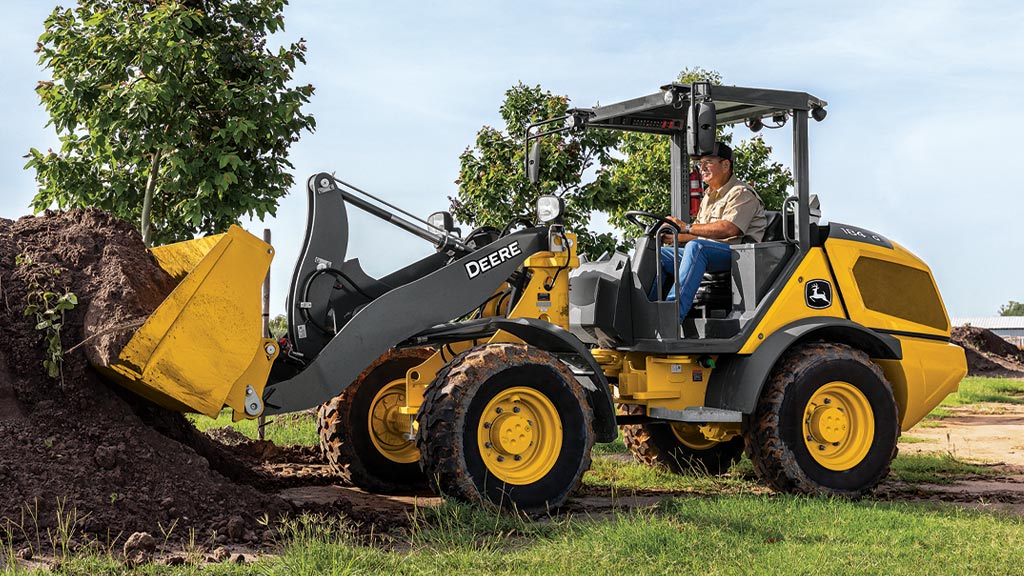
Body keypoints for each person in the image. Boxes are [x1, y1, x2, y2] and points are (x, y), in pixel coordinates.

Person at [655, 142, 767, 321]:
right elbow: (699, 231)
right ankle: (647, 313)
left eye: (708, 162)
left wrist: (685, 226)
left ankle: (671, 316)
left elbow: (729, 228)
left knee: (696, 247)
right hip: (708, 252)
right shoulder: (709, 195)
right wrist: (672, 233)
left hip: (739, 256)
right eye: (700, 164)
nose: (702, 168)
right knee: (658, 253)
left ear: (725, 165)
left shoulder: (741, 193)